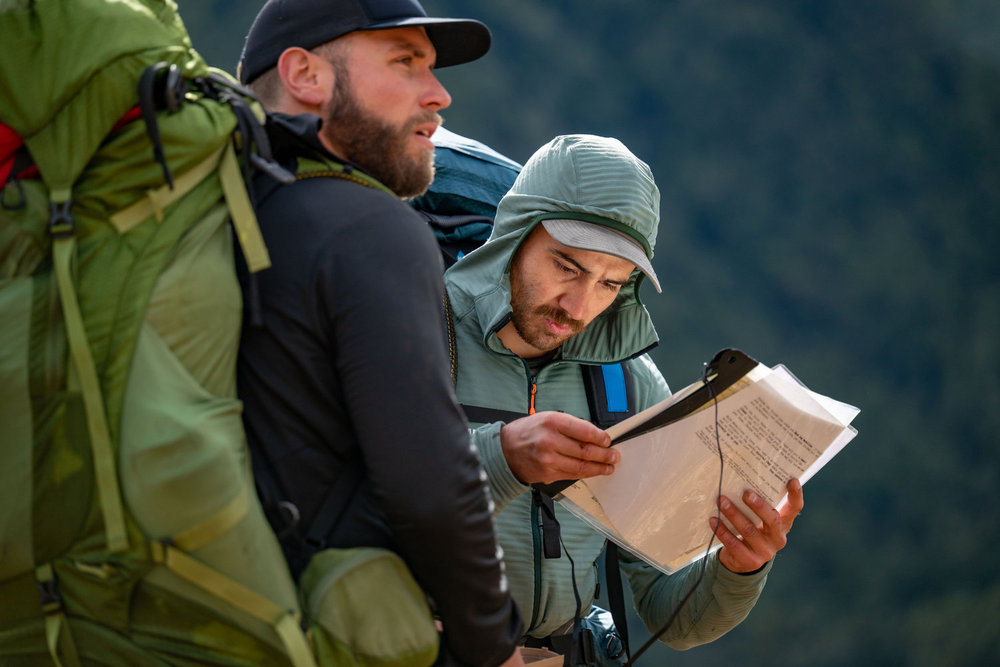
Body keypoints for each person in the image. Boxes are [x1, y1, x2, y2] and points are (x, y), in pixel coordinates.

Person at [234, 1, 523, 665]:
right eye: (405, 62)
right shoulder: (369, 229)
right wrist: (494, 644)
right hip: (317, 629)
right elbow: (433, 484)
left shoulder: (223, 209)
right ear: (305, 73)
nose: (440, 93)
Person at [444, 134, 805, 665]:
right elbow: (359, 494)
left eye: (611, 284)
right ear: (513, 234)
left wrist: (737, 567)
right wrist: (503, 457)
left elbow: (670, 615)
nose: (578, 305)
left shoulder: (626, 383)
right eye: (566, 267)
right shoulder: (420, 331)